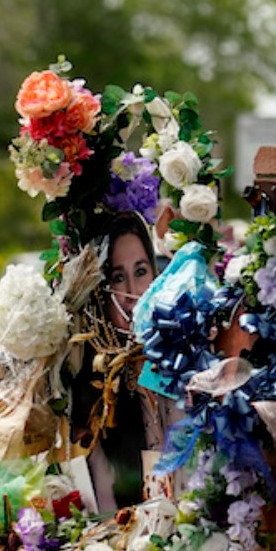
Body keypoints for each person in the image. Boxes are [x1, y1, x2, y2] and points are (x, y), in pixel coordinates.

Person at [74, 211, 180, 510]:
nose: (133, 294)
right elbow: (102, 503)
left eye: (141, 271)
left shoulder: (182, 357)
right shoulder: (94, 383)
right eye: (118, 278)